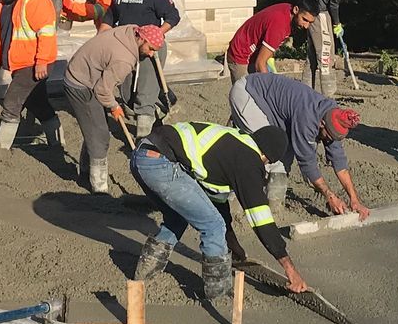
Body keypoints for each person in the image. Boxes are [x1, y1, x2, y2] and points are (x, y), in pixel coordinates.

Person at [129, 120, 309, 302]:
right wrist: (290, 269)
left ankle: (144, 273)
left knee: (178, 218)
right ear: (266, 156)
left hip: (142, 155)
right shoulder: (247, 161)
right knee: (213, 226)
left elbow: (217, 205)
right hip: (161, 163)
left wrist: (233, 245)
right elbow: (261, 220)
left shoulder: (232, 144)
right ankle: (219, 295)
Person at [229, 69, 371, 219]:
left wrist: (354, 199)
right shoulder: (307, 117)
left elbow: (339, 161)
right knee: (264, 148)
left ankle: (274, 202)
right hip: (249, 93)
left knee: (285, 148)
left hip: (271, 106)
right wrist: (330, 196)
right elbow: (308, 163)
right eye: (328, 136)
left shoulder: (333, 117)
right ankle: (236, 200)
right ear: (322, 124)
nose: (329, 141)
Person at [64, 23, 166, 193]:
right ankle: (99, 188)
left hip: (87, 75)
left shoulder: (131, 31)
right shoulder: (124, 60)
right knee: (100, 135)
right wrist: (114, 106)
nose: (151, 54)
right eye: (150, 48)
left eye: (155, 50)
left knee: (95, 128)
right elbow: (103, 90)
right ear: (141, 38)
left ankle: (85, 172)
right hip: (80, 83)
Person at [0, 0, 62, 156]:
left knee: (11, 103)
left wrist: (41, 61)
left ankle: (0, 150)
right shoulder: (4, 1)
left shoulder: (36, 2)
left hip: (32, 63)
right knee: (38, 104)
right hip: (21, 63)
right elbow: (0, 30)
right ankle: (57, 143)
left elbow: (47, 34)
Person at [105, 0, 180, 131]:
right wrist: (104, 32)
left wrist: (156, 34)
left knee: (145, 92)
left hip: (149, 47)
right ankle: (163, 101)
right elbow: (111, 15)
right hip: (126, 47)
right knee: (127, 92)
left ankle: (143, 135)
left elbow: (173, 16)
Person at [308, 0, 366, 98]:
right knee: (326, 53)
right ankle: (328, 93)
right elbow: (334, 4)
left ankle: (306, 88)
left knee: (312, 55)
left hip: (311, 8)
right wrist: (337, 23)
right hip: (320, 12)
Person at [225, 0, 318, 83]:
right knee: (244, 95)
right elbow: (260, 64)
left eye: (310, 22)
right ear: (296, 10)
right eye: (304, 20)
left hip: (255, 53)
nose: (306, 26)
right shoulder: (279, 24)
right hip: (240, 53)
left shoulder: (288, 12)